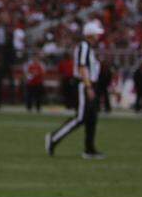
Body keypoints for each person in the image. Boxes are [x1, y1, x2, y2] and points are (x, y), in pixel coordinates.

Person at [45, 21, 105, 159]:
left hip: (89, 84)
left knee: (92, 119)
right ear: (90, 34)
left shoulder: (87, 47)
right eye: (96, 33)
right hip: (84, 84)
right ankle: (54, 138)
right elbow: (82, 67)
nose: (98, 36)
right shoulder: (84, 46)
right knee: (81, 118)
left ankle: (89, 149)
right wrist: (88, 86)